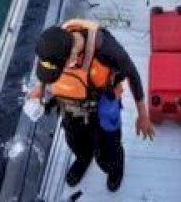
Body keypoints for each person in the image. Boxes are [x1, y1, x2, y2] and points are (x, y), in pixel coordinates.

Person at [28, 19, 155, 192]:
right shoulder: (55, 42)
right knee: (74, 140)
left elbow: (132, 74)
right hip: (71, 104)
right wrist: (40, 88)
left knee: (109, 147)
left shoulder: (106, 49)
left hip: (102, 101)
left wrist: (143, 114)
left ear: (72, 56)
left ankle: (115, 166)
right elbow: (47, 65)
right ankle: (83, 157)